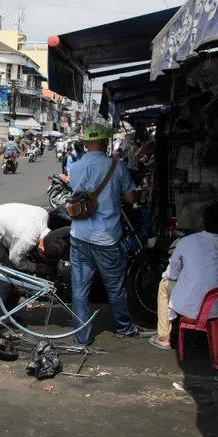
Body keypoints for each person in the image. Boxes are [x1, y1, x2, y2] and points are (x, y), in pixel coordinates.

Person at [68, 123, 140, 346]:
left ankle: (82, 336)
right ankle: (124, 328)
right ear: (106, 143)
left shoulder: (76, 167)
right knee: (115, 286)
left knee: (80, 288)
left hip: (79, 235)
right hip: (106, 237)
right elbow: (131, 199)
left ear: (87, 144)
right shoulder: (116, 167)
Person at [149, 203, 218, 350]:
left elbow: (172, 273)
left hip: (191, 306)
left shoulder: (186, 241)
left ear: (203, 222)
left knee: (164, 285)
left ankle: (163, 337)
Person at [0, 203, 54, 308]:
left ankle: (9, 309)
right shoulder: (28, 239)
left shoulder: (44, 214)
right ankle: (0, 319)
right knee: (7, 275)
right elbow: (14, 259)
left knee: (15, 270)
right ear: (41, 247)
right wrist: (36, 268)